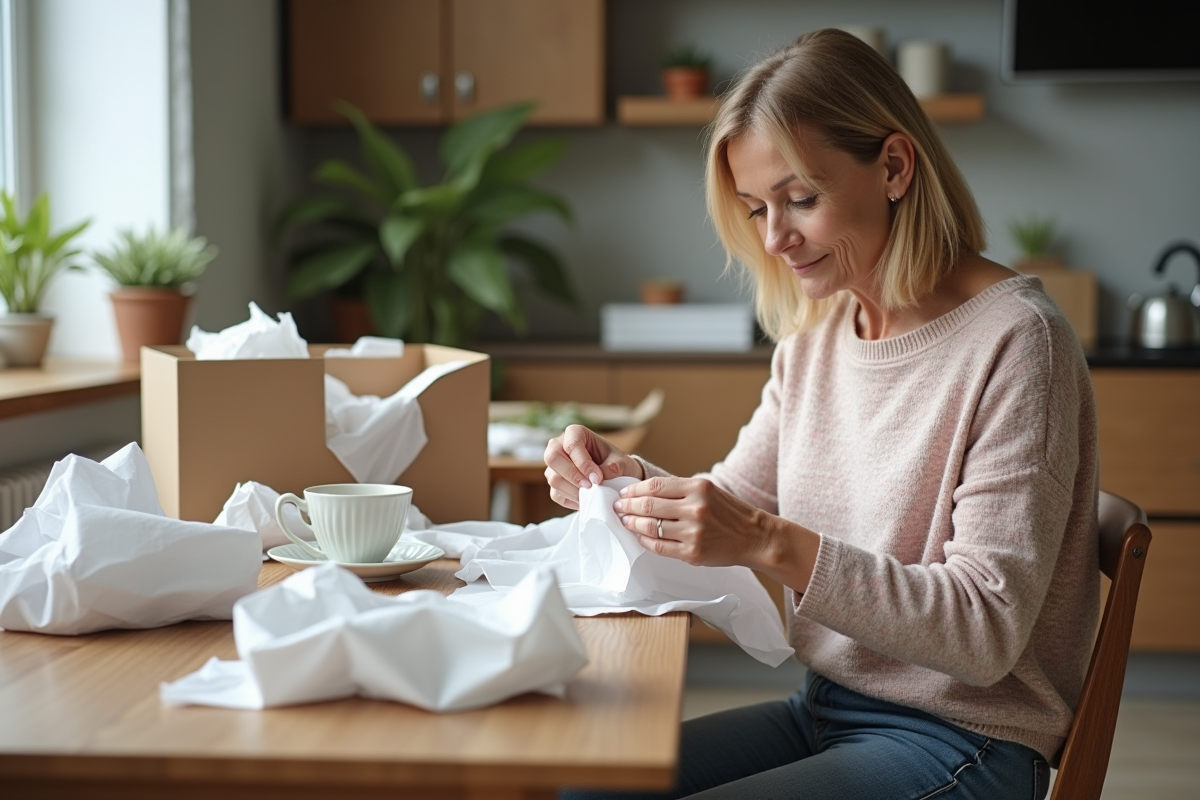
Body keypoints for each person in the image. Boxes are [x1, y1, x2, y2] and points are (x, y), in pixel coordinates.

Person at [549, 28, 1098, 800]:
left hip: (964, 738)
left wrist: (770, 543)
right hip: (827, 707)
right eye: (755, 209)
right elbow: (736, 510)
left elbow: (985, 633)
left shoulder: (1018, 343)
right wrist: (625, 483)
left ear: (895, 167)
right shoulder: (819, 338)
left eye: (801, 199)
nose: (774, 238)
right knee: (583, 789)